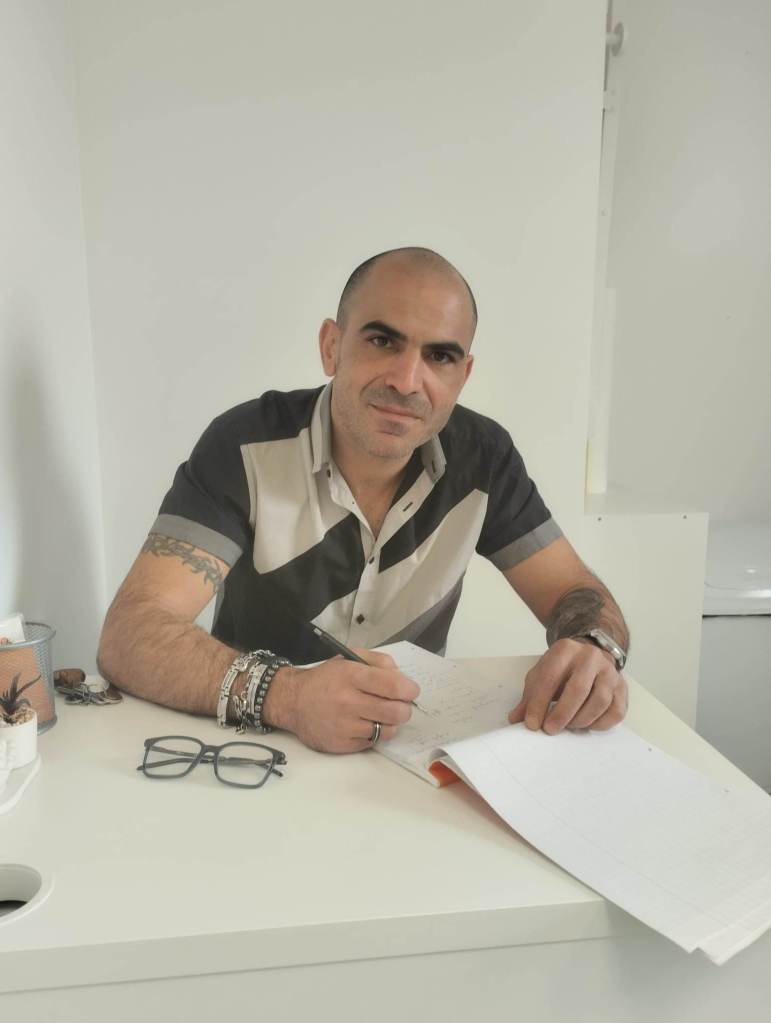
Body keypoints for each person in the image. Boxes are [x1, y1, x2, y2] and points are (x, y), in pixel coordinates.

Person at [97, 247, 630, 753]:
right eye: (382, 341)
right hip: (252, 750)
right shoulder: (243, 447)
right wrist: (288, 697)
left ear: (463, 374)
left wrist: (593, 648)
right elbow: (130, 635)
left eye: (439, 356)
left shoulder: (485, 460)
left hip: (409, 752)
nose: (407, 381)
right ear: (331, 346)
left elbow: (575, 591)